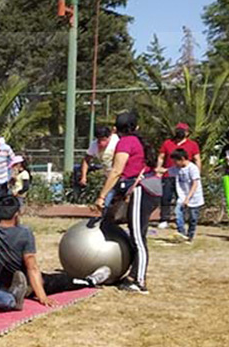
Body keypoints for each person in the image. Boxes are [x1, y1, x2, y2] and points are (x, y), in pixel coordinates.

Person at [0, 194, 112, 304]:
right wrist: (42, 297)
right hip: (24, 280)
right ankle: (90, 281)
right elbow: (31, 265)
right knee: (62, 280)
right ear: (17, 213)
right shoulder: (23, 233)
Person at [95, 112, 160, 293]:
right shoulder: (139, 141)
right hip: (149, 188)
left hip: (141, 189)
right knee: (136, 234)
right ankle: (133, 274)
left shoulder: (125, 142)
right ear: (136, 127)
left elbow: (117, 171)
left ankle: (139, 281)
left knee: (138, 237)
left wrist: (102, 196)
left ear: (115, 129)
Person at [156, 122, 201, 230]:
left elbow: (197, 159)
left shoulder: (192, 145)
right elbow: (161, 157)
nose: (180, 132)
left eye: (183, 131)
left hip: (184, 177)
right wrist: (158, 170)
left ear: (187, 132)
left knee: (182, 197)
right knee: (165, 197)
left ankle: (182, 219)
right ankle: (164, 219)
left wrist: (197, 174)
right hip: (168, 175)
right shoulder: (167, 143)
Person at [78, 125, 120, 204]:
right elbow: (86, 160)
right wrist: (83, 176)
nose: (101, 143)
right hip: (109, 177)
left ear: (109, 137)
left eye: (103, 140)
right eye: (99, 140)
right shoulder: (94, 145)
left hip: (120, 176)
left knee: (109, 199)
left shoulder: (116, 141)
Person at [172, 150, 204, 243]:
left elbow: (195, 184)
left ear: (182, 159)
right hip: (182, 196)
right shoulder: (177, 168)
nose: (175, 163)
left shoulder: (192, 168)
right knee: (178, 213)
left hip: (194, 197)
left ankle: (190, 235)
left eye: (176, 161)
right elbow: (165, 171)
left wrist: (188, 198)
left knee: (193, 218)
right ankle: (181, 233)